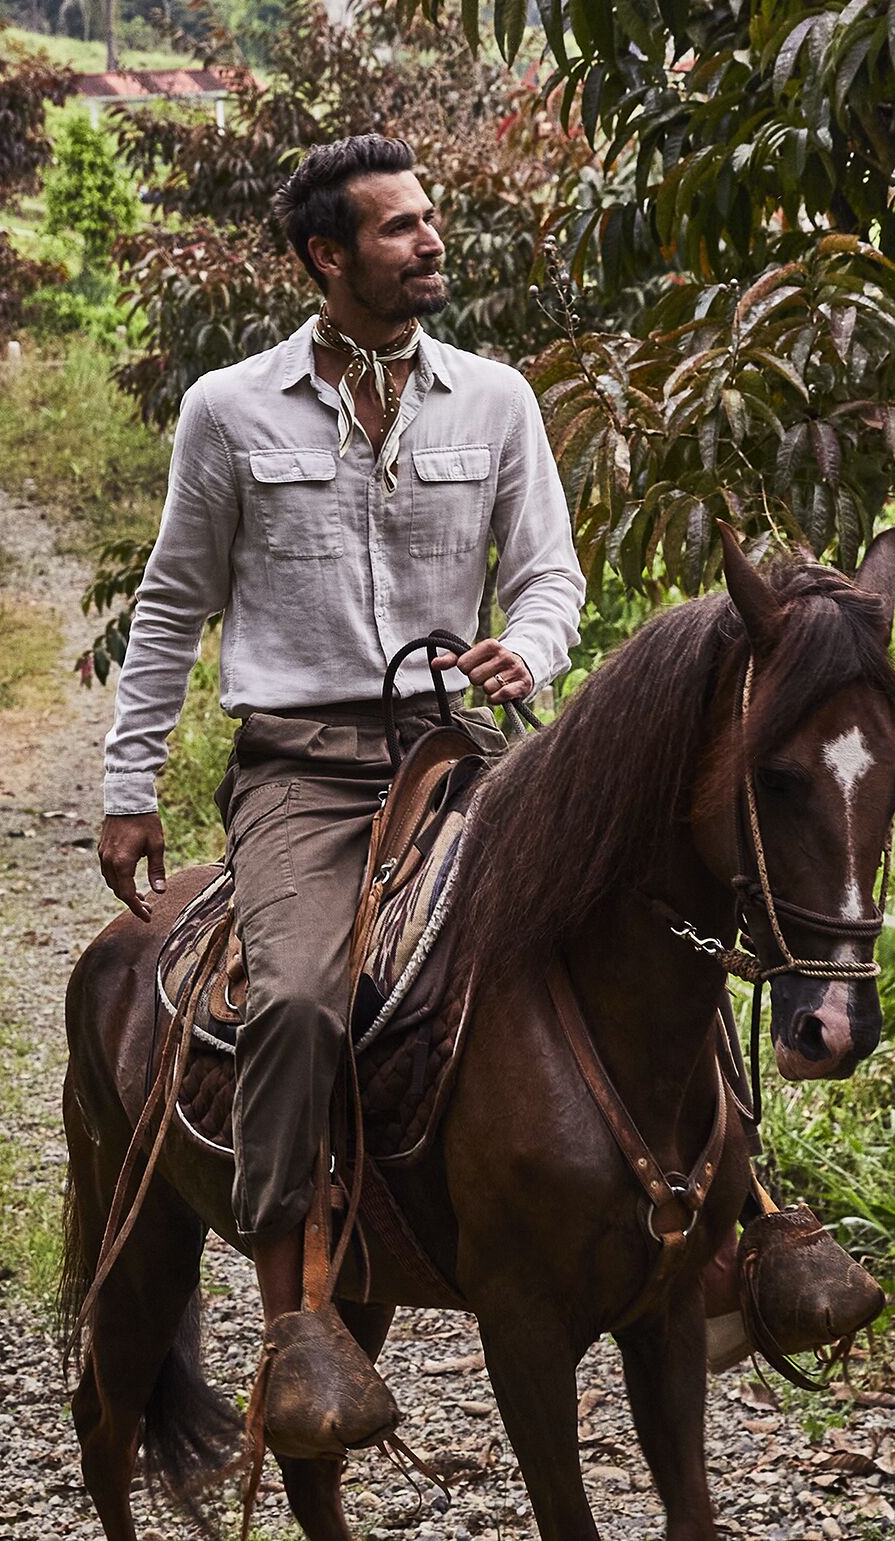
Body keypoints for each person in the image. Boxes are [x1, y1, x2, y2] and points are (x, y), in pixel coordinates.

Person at [94, 133, 584, 1458]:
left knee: (617, 933)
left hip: (461, 750)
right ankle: (299, 1313)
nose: (429, 241)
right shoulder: (231, 408)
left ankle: (743, 1219)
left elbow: (551, 578)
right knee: (302, 994)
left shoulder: (495, 400)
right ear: (327, 256)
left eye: (430, 220)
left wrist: (525, 649)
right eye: (398, 228)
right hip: (302, 766)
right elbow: (171, 606)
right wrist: (128, 784)